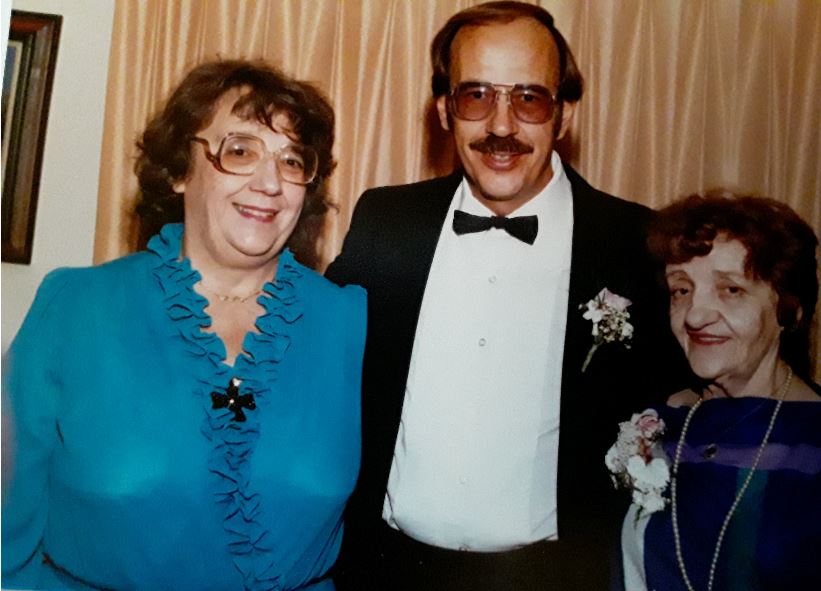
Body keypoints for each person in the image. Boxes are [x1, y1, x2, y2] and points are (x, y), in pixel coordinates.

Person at [325, 2, 688, 589]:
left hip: (558, 576)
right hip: (387, 570)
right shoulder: (386, 222)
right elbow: (303, 350)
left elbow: (713, 390)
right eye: (475, 96)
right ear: (445, 110)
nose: (501, 126)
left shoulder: (636, 244)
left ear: (563, 114)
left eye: (529, 98)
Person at [1, 59, 366, 591]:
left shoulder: (348, 321)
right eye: (239, 151)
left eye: (291, 161)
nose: (269, 182)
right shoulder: (74, 308)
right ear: (178, 171)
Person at [617, 193, 821, 590]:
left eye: (730, 290)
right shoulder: (660, 423)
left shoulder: (812, 441)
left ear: (789, 309)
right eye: (682, 290)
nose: (695, 315)